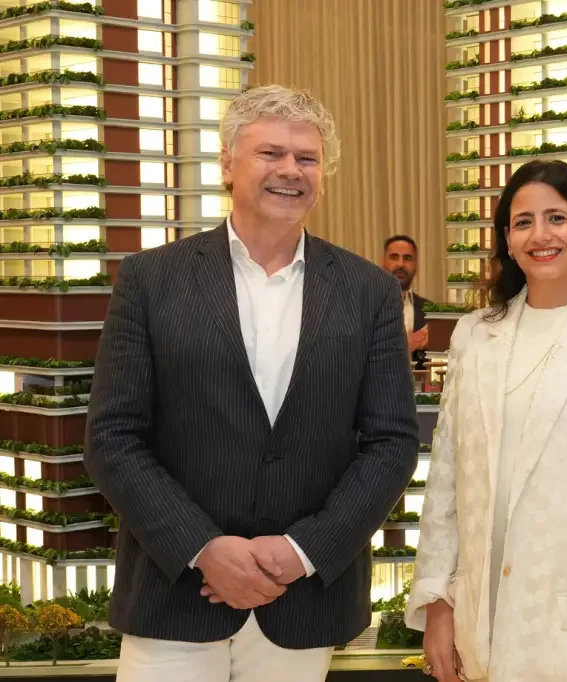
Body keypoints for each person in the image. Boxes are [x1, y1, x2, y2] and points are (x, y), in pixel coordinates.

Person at [84, 85, 420, 682]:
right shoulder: (150, 280)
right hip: (174, 594)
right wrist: (203, 548)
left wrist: (303, 551)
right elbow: (113, 438)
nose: (290, 169)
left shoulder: (369, 291)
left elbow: (392, 443)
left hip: (303, 598)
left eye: (307, 158)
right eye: (270, 153)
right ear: (227, 163)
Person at [405, 159, 567, 682]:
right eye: (523, 222)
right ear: (507, 239)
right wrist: (437, 602)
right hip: (476, 626)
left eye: (557, 218)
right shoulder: (473, 336)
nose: (540, 235)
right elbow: (445, 483)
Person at [381, 234, 432, 368]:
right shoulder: (365, 306)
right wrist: (405, 346)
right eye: (394, 257)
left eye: (407, 258)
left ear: (416, 266)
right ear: (383, 263)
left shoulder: (430, 311)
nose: (401, 264)